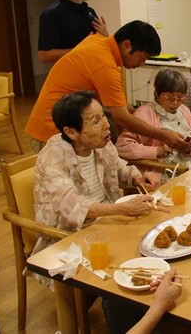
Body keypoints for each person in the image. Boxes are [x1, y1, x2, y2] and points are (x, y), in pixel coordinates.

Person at [32, 91, 163, 262]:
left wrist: (137, 178)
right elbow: (72, 206)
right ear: (71, 132)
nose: (106, 125)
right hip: (68, 238)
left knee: (153, 242)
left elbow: (119, 168)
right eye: (96, 121)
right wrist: (123, 208)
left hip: (109, 222)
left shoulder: (102, 143)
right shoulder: (52, 156)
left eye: (103, 115)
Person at [26, 20, 190, 156]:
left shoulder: (98, 42)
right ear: (126, 45)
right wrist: (163, 135)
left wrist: (143, 113)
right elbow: (121, 117)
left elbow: (119, 106)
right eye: (143, 58)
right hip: (53, 130)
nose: (142, 64)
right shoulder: (105, 66)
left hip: (63, 125)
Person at [116, 69, 191, 183]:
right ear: (157, 94)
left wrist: (188, 149)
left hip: (187, 169)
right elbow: (122, 147)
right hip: (160, 173)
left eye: (180, 97)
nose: (175, 102)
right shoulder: (144, 113)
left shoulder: (184, 110)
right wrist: (157, 151)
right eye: (169, 97)